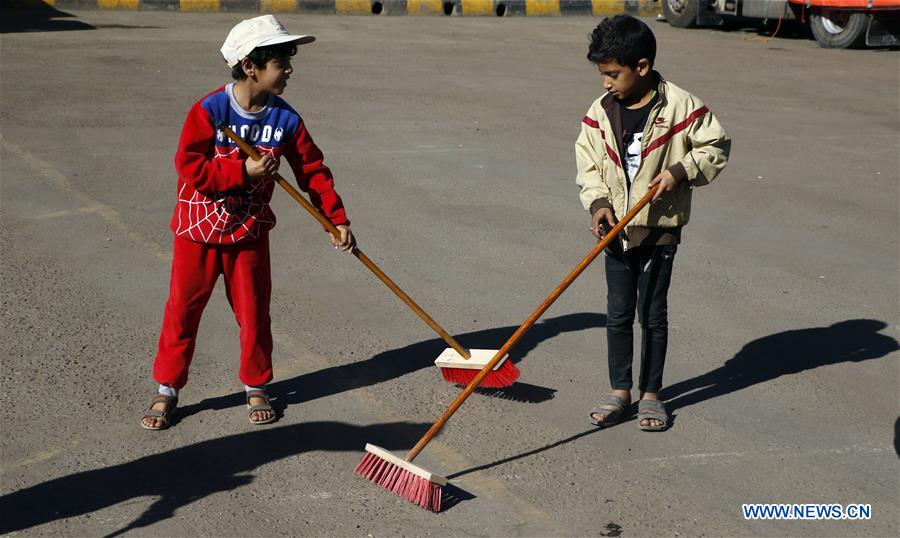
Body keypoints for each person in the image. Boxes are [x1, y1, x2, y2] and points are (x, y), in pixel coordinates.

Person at [141, 15, 355, 430]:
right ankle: (167, 388)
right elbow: (189, 165)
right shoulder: (210, 110)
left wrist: (336, 219)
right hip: (196, 232)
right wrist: (242, 173)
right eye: (281, 62)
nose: (289, 70)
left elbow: (312, 170)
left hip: (248, 231)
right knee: (183, 309)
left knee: (255, 311)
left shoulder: (286, 119)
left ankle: (256, 384)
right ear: (250, 65)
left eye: (289, 60)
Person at [575, 15, 730, 431]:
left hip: (658, 229)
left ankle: (651, 395)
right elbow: (588, 165)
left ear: (641, 67)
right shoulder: (600, 110)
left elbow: (716, 144)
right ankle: (620, 391)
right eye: (602, 74)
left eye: (613, 74)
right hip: (615, 231)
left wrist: (679, 172)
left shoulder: (680, 105)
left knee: (653, 315)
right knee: (618, 313)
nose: (606, 83)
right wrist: (599, 205)